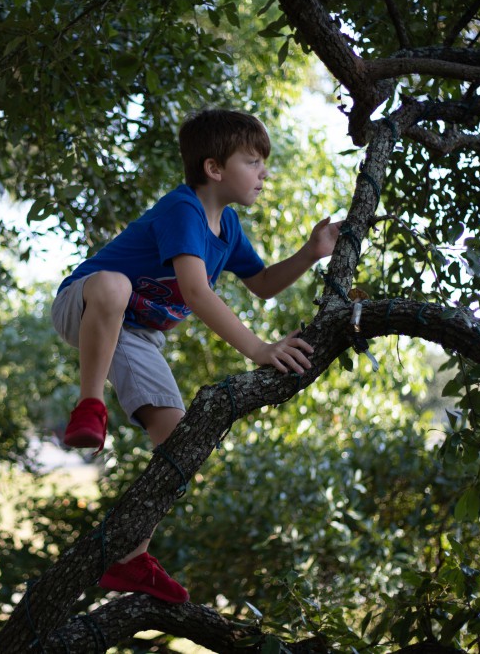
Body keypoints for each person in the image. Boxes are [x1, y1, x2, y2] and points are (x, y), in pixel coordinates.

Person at [50, 108, 341, 603]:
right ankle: (89, 405)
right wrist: (260, 349)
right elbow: (197, 292)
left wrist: (311, 253)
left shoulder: (227, 229)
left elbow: (264, 284)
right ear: (214, 169)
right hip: (86, 304)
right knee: (114, 283)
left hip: (136, 334)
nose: (263, 173)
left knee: (178, 435)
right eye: (253, 161)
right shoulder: (183, 209)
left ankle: (130, 558)